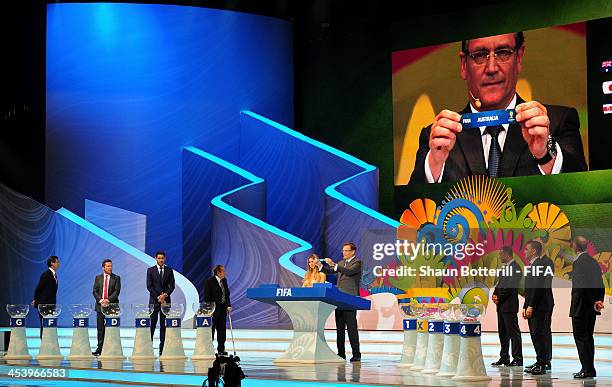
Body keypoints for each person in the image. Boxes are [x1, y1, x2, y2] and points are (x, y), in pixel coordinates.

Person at [409, 32, 587, 184]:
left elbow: (586, 197)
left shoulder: (558, 122)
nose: (492, 68)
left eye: (503, 53)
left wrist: (546, 153)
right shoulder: (437, 138)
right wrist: (434, 164)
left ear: (519, 57)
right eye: (480, 55)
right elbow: (411, 212)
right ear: (464, 65)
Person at [569, 236, 605, 379]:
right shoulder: (593, 261)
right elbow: (599, 284)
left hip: (580, 307)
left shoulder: (578, 263)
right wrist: (598, 301)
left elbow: (581, 287)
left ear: (575, 246)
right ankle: (589, 368)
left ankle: (587, 369)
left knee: (581, 339)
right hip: (591, 308)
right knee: (588, 338)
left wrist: (590, 302)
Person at [321, 242, 362, 362]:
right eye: (343, 251)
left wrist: (334, 264)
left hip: (350, 298)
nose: (343, 253)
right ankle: (341, 353)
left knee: (351, 328)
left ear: (353, 251)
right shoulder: (340, 263)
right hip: (339, 298)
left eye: (346, 251)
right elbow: (330, 271)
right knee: (339, 327)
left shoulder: (357, 263)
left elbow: (348, 272)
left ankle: (356, 354)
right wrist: (320, 266)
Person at [522, 241, 554, 375]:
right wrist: (525, 305)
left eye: (527, 249)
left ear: (534, 251)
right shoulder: (533, 265)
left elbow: (537, 288)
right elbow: (529, 289)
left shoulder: (540, 264)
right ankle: (541, 360)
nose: (524, 252)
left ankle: (542, 362)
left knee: (539, 334)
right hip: (536, 304)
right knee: (536, 334)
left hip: (541, 306)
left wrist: (531, 305)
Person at [491, 246, 523, 367]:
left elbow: (510, 286)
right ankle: (504, 357)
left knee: (513, 333)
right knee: (502, 333)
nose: (499, 256)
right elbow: (500, 284)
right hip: (501, 305)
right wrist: (495, 294)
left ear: (506, 254)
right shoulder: (505, 268)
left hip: (509, 305)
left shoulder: (516, 268)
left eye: (501, 254)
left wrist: (500, 297)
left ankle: (517, 358)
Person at [146, 251, 175, 356]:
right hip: (154, 301)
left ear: (165, 259)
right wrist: (159, 297)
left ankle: (162, 349)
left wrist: (165, 296)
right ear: (155, 258)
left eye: (162, 258)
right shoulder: (150, 270)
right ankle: (148, 347)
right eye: (159, 258)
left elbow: (172, 286)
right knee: (152, 325)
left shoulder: (169, 270)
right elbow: (149, 286)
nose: (161, 260)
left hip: (166, 302)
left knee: (164, 326)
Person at [92, 259, 121, 356]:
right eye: (108, 266)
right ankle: (100, 349)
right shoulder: (98, 278)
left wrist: (108, 300)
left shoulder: (116, 278)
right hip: (100, 306)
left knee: (112, 329)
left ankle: (112, 348)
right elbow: (95, 291)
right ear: (103, 267)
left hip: (112, 306)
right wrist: (101, 301)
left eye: (111, 266)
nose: (110, 268)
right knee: (100, 329)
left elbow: (116, 292)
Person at [205, 265, 231, 355]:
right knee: (211, 329)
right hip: (213, 310)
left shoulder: (224, 280)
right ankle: (209, 348)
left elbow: (226, 293)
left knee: (222, 330)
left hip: (223, 309)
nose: (225, 273)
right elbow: (207, 296)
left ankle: (221, 349)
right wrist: (209, 309)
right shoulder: (210, 281)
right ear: (218, 272)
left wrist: (228, 305)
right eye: (223, 271)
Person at [32, 256, 60, 338]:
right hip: (44, 305)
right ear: (52, 263)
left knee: (49, 325)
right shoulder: (46, 274)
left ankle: (49, 344)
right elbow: (38, 289)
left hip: (51, 305)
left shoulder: (54, 274)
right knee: (44, 325)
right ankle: (44, 344)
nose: (59, 264)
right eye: (57, 262)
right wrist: (36, 301)